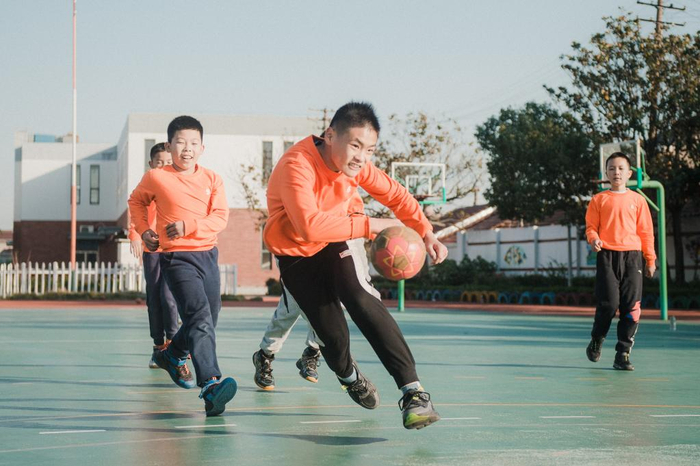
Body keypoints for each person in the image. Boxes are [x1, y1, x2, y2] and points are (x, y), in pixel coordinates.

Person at [263, 101, 448, 430]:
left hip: (337, 238)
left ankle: (414, 392)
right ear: (330, 135)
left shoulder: (357, 166)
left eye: (370, 149)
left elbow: (397, 196)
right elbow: (308, 226)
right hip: (296, 252)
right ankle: (349, 376)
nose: (362, 157)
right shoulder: (297, 165)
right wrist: (370, 226)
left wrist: (426, 231)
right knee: (333, 336)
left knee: (360, 296)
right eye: (356, 145)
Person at [128, 115, 237, 416]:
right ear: (169, 146)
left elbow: (220, 217)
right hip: (176, 257)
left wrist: (189, 225)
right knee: (199, 316)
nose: (187, 149)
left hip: (208, 255)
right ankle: (210, 385)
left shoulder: (212, 179)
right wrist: (143, 230)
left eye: (193, 143)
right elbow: (136, 201)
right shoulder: (156, 177)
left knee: (209, 316)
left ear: (202, 148)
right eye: (180, 143)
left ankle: (173, 354)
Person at [253, 192, 373, 390]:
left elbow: (355, 215)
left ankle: (312, 352)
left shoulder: (346, 187)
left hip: (333, 245)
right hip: (297, 248)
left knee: (331, 306)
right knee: (290, 310)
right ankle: (265, 355)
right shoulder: (300, 180)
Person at [585, 151, 656, 371]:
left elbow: (646, 232)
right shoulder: (598, 200)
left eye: (621, 168)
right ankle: (597, 339)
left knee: (631, 307)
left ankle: (623, 354)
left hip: (633, 258)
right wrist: (594, 239)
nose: (616, 172)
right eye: (612, 168)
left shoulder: (638, 200)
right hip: (607, 256)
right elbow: (591, 228)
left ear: (629, 173)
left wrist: (650, 259)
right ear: (606, 173)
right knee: (609, 304)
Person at [127, 143, 180, 369]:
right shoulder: (147, 185)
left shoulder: (178, 185)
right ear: (151, 164)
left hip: (174, 249)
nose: (164, 166)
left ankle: (173, 347)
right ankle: (158, 347)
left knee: (168, 297)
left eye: (168, 162)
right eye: (160, 163)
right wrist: (135, 234)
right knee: (154, 298)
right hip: (152, 251)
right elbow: (136, 211)